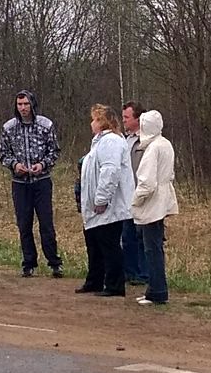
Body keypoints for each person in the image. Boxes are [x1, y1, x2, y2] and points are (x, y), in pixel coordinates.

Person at [0, 89, 63, 278]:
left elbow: (55, 151)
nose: (23, 108)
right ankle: (28, 262)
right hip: (20, 183)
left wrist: (42, 165)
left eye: (26, 104)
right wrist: (15, 165)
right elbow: (2, 153)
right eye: (20, 105)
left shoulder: (45, 125)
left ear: (32, 104)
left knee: (46, 224)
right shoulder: (9, 127)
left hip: (41, 181)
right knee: (24, 224)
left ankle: (54, 262)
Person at [75, 103, 131, 296]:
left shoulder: (111, 142)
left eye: (94, 119)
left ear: (102, 122)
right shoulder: (100, 143)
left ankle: (115, 285)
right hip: (95, 207)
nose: (91, 123)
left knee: (109, 245)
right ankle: (95, 280)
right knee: (94, 244)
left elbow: (110, 171)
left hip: (107, 207)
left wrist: (101, 199)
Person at [129, 106, 176, 306]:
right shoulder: (165, 144)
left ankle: (157, 291)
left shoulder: (152, 148)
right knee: (154, 247)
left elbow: (147, 183)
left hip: (152, 203)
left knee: (152, 248)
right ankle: (155, 289)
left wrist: (134, 201)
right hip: (162, 200)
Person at [117, 101, 148, 287]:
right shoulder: (126, 140)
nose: (124, 121)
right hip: (126, 197)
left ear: (138, 119)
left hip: (142, 196)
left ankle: (144, 274)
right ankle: (130, 272)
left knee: (142, 238)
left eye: (127, 118)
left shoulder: (147, 141)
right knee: (127, 236)